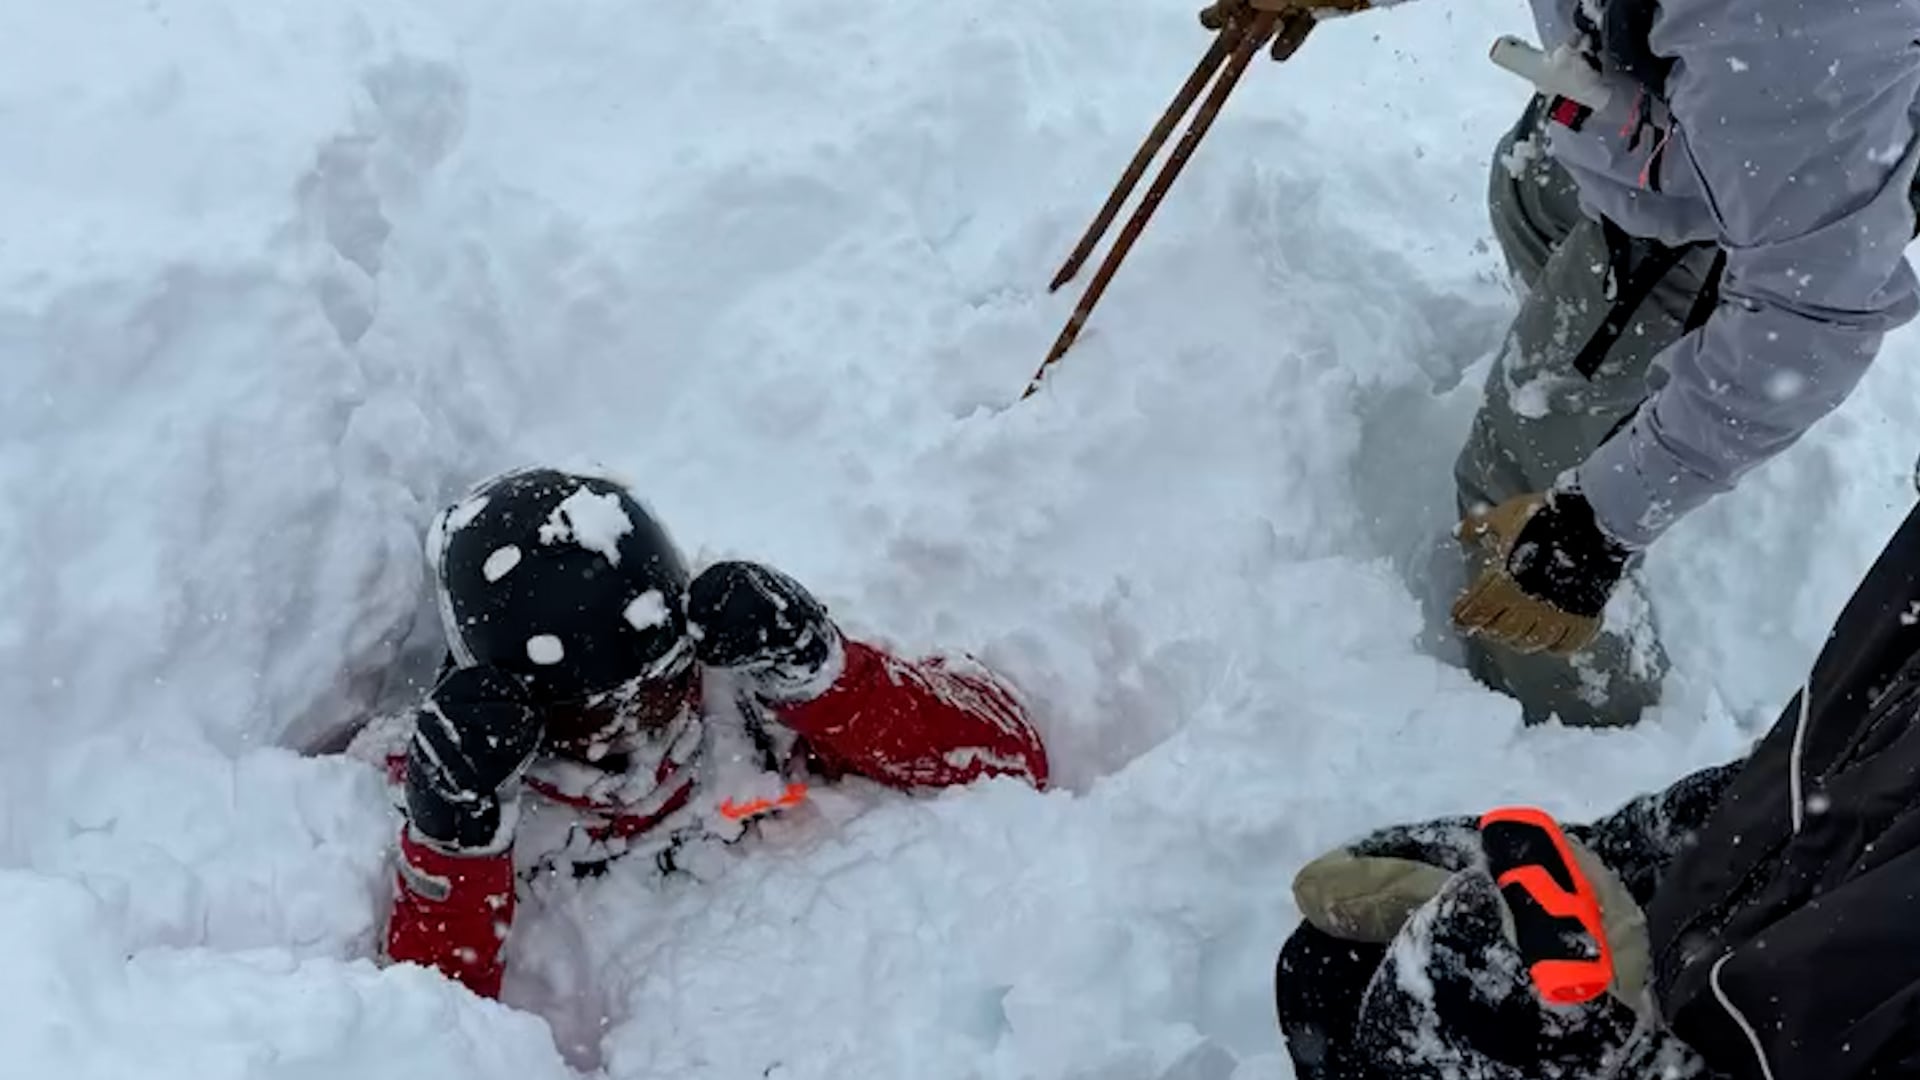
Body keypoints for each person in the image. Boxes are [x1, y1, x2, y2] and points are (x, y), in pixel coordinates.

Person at [1205, 0, 1920, 726]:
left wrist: (1596, 525)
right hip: (1640, 115)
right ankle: (1627, 409)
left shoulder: (1791, 27)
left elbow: (1810, 321)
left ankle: (1571, 730)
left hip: (1715, 222)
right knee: (1529, 195)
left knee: (1514, 488)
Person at [1272, 496, 1920, 1080]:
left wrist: (1624, 1065)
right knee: (1329, 975)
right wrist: (1624, 864)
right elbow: (1828, 790)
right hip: (1686, 986)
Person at [352, 466, 1050, 998]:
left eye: (661, 688)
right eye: (593, 716)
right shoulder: (459, 772)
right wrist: (454, 841)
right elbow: (429, 1023)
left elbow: (1008, 758)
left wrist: (827, 676)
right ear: (519, 711)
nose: (638, 731)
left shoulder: (740, 687)